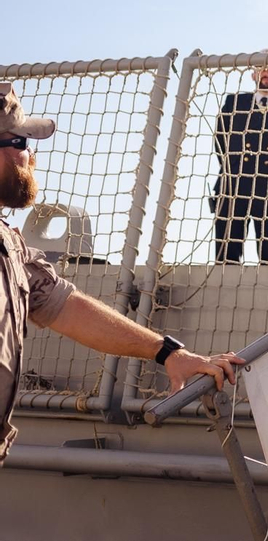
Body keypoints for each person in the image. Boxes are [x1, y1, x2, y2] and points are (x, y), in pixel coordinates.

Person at [0, 83, 243, 465]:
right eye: (22, 143)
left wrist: (169, 354)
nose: (31, 158)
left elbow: (67, 307)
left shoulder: (11, 248)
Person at [211, 58, 268, 265]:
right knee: (227, 255)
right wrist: (233, 168)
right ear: (253, 74)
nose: (267, 73)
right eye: (262, 68)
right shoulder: (234, 103)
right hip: (233, 185)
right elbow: (220, 139)